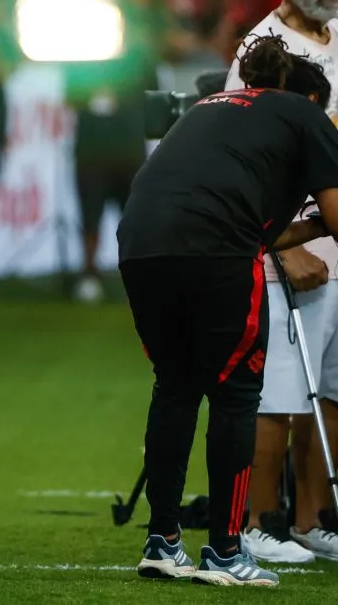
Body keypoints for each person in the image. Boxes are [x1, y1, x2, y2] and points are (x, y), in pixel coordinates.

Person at [117, 34, 338, 587]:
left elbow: (246, 217)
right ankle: (225, 550)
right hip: (215, 251)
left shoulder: (208, 108)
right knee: (237, 393)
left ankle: (162, 541)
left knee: (175, 385)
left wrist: (311, 226)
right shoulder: (306, 115)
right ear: (313, 99)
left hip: (140, 244)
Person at [224, 0, 338, 563]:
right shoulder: (262, 48)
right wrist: (278, 244)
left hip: (335, 229)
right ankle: (257, 521)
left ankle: (312, 519)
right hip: (289, 235)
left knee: (333, 390)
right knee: (280, 393)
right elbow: (239, 152)